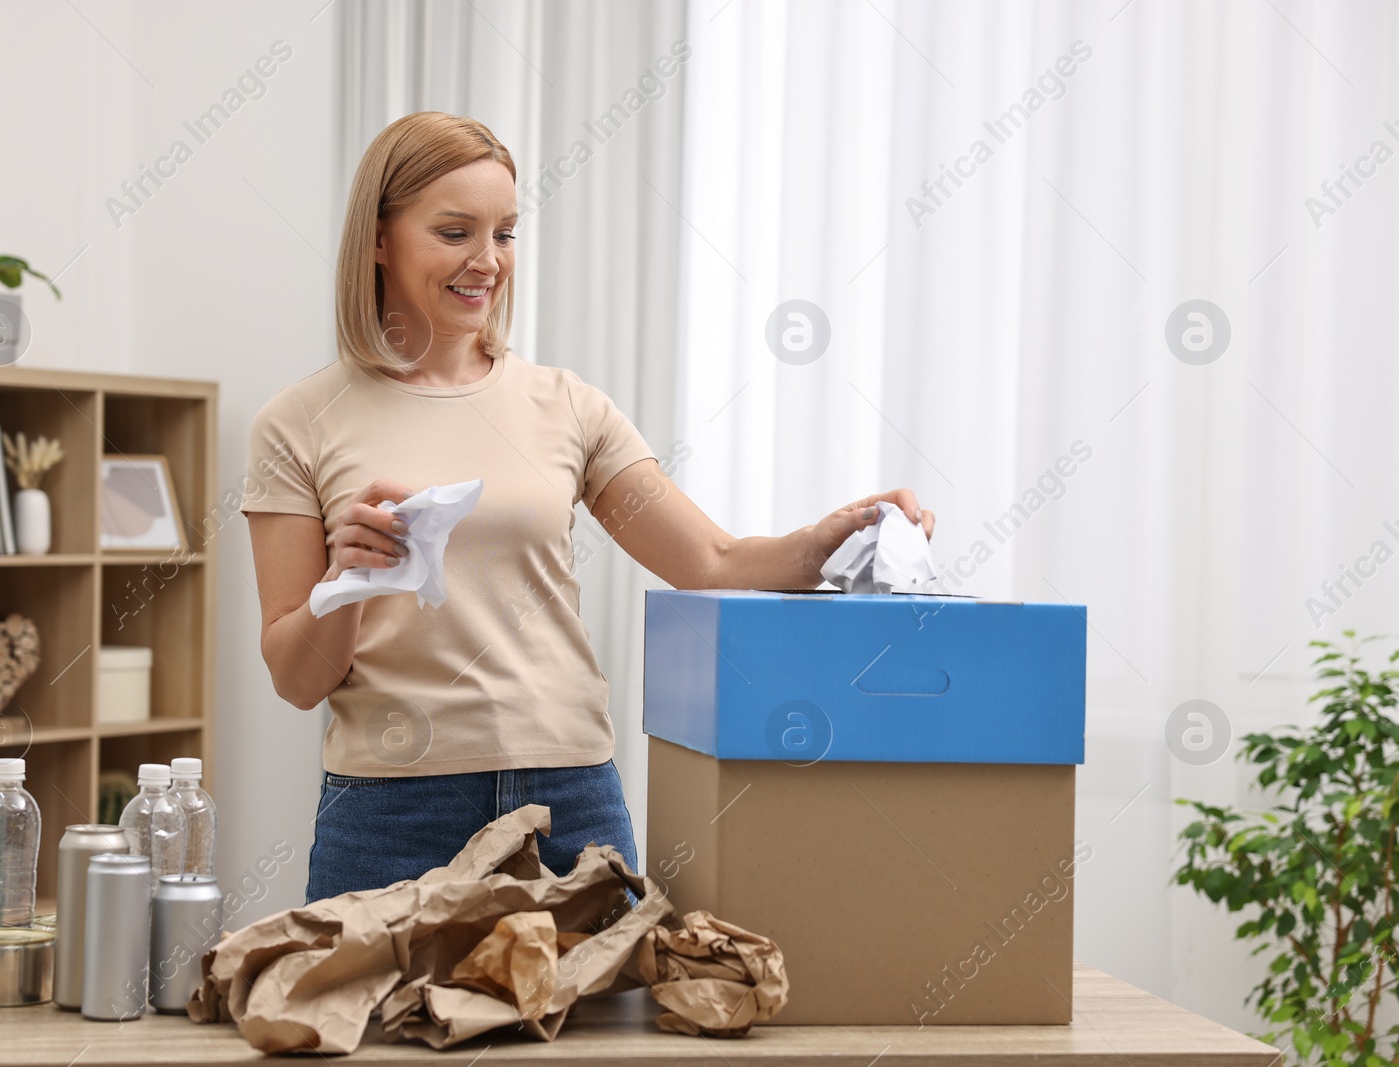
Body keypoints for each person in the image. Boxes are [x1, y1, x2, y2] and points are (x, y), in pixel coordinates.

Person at [243, 111, 936, 904]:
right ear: (378, 237)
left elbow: (710, 560)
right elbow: (298, 680)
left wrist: (834, 531)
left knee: (599, 1031)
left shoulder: (566, 406)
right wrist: (348, 580)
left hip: (569, 800)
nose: (487, 261)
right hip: (391, 811)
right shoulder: (298, 423)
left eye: (504, 233)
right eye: (454, 231)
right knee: (377, 1031)